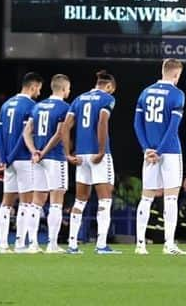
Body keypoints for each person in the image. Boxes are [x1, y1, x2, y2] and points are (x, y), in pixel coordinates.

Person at [134, 58, 186, 256]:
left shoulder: (145, 92)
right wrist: (160, 150)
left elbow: (136, 124)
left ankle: (140, 245)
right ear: (176, 74)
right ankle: (169, 244)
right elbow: (173, 127)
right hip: (170, 151)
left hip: (149, 153)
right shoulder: (177, 95)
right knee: (171, 198)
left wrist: (146, 148)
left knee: (146, 198)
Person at [65, 70, 119, 255]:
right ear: (109, 86)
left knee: (80, 200)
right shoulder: (107, 99)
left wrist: (67, 153)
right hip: (98, 155)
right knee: (105, 199)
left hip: (80, 155)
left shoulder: (78, 99)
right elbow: (102, 122)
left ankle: (72, 245)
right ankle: (101, 244)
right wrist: (102, 150)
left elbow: (66, 126)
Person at [0, 71, 43, 254]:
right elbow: (25, 135)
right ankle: (21, 244)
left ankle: (3, 245)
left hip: (8, 160)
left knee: (6, 202)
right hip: (22, 158)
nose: (39, 92)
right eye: (38, 88)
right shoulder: (32, 106)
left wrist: (3, 157)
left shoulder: (6, 105)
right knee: (27, 202)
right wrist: (12, 155)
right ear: (33, 86)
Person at [24, 74, 71, 254]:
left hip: (38, 160)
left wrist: (34, 151)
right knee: (56, 202)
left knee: (36, 202)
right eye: (69, 88)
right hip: (55, 157)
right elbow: (59, 134)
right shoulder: (65, 108)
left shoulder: (38, 106)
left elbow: (27, 132)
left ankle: (33, 244)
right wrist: (43, 152)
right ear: (64, 89)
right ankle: (52, 244)